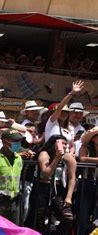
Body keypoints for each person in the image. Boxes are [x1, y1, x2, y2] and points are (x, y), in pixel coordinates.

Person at [44, 80, 84, 214]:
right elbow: (60, 106)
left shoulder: (69, 129)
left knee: (65, 216)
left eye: (67, 112)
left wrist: (71, 152)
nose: (64, 113)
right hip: (50, 155)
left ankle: (69, 197)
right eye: (62, 112)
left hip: (64, 163)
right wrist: (72, 93)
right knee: (42, 212)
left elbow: (72, 144)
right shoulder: (52, 123)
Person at [33, 135, 74, 235]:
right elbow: (46, 173)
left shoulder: (68, 157)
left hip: (59, 191)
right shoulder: (45, 154)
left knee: (68, 218)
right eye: (61, 143)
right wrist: (56, 156)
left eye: (65, 144)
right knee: (40, 219)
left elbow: (72, 177)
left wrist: (68, 196)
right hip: (43, 189)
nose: (64, 146)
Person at [77, 128, 98, 235]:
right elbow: (82, 158)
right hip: (86, 183)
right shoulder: (85, 147)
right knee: (82, 216)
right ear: (93, 138)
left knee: (96, 217)